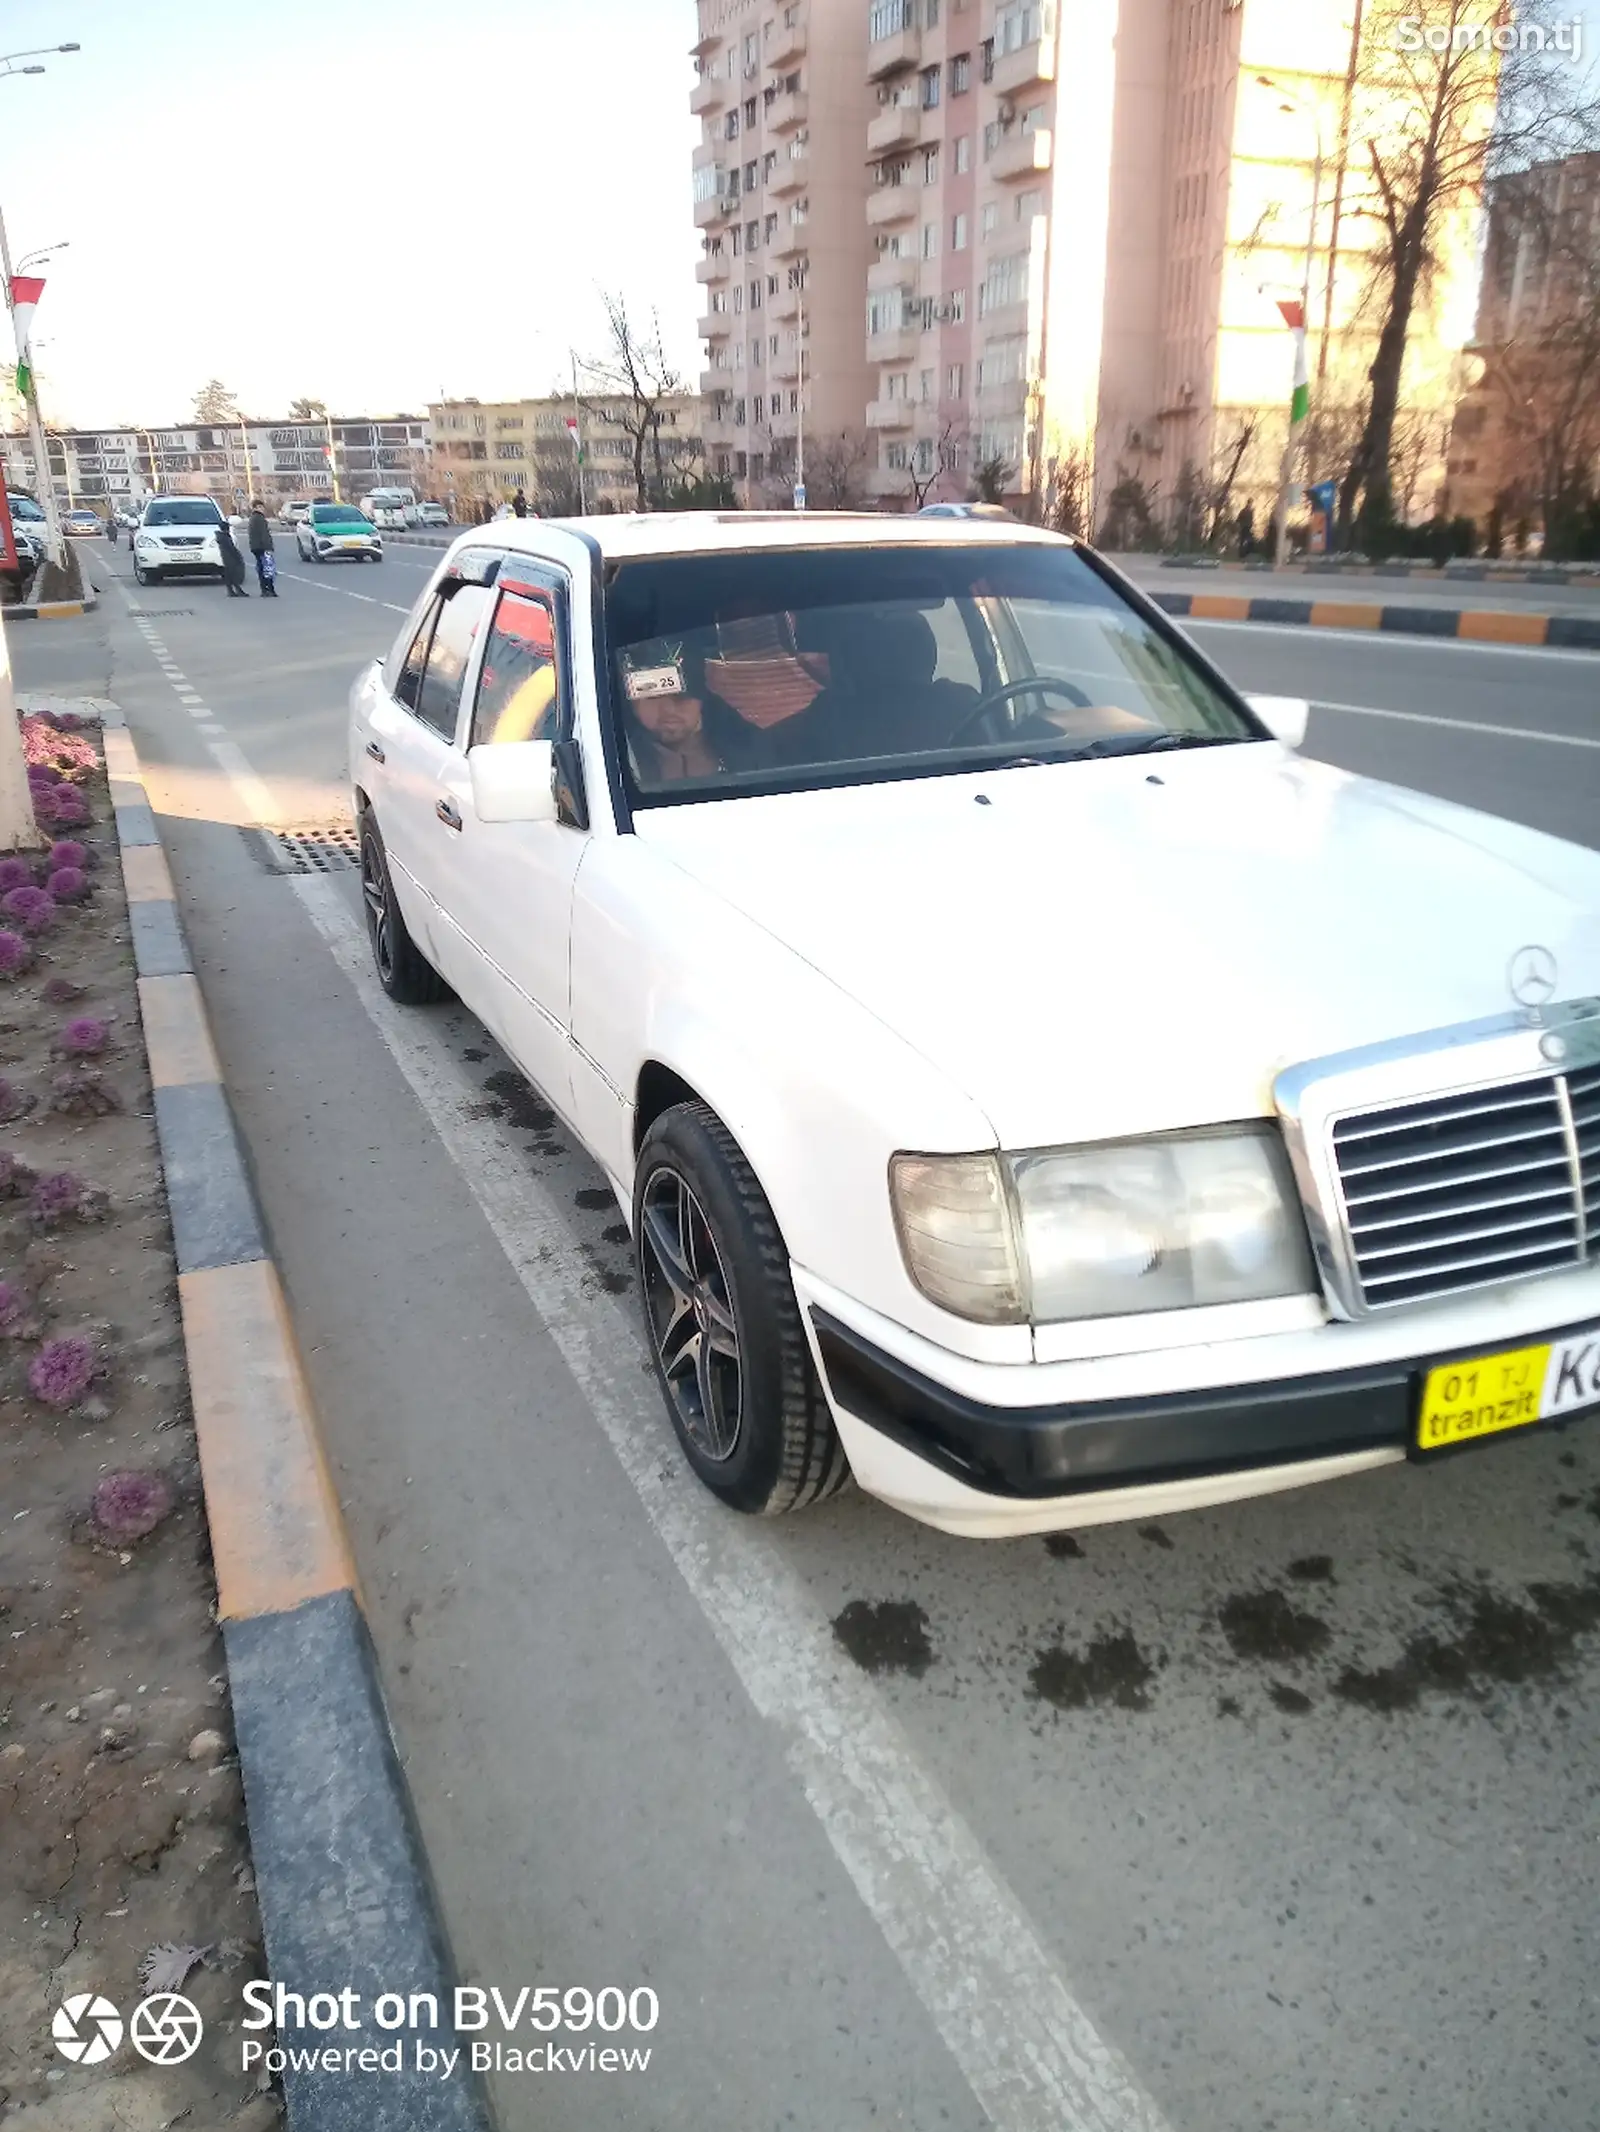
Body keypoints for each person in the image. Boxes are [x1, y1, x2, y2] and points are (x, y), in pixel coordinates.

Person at [247, 501, 277, 596]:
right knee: (267, 568)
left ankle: (264, 589)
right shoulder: (259, 518)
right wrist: (268, 547)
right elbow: (264, 534)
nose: (262, 509)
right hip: (262, 547)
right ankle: (269, 589)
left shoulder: (252, 518)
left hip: (256, 547)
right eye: (260, 507)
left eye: (262, 507)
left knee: (261, 567)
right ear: (255, 508)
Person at [218, 516, 249, 597]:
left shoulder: (221, 536)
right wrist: (238, 557)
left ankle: (232, 590)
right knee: (233, 574)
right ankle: (236, 590)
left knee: (229, 575)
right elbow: (231, 548)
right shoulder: (225, 537)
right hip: (230, 558)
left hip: (226, 557)